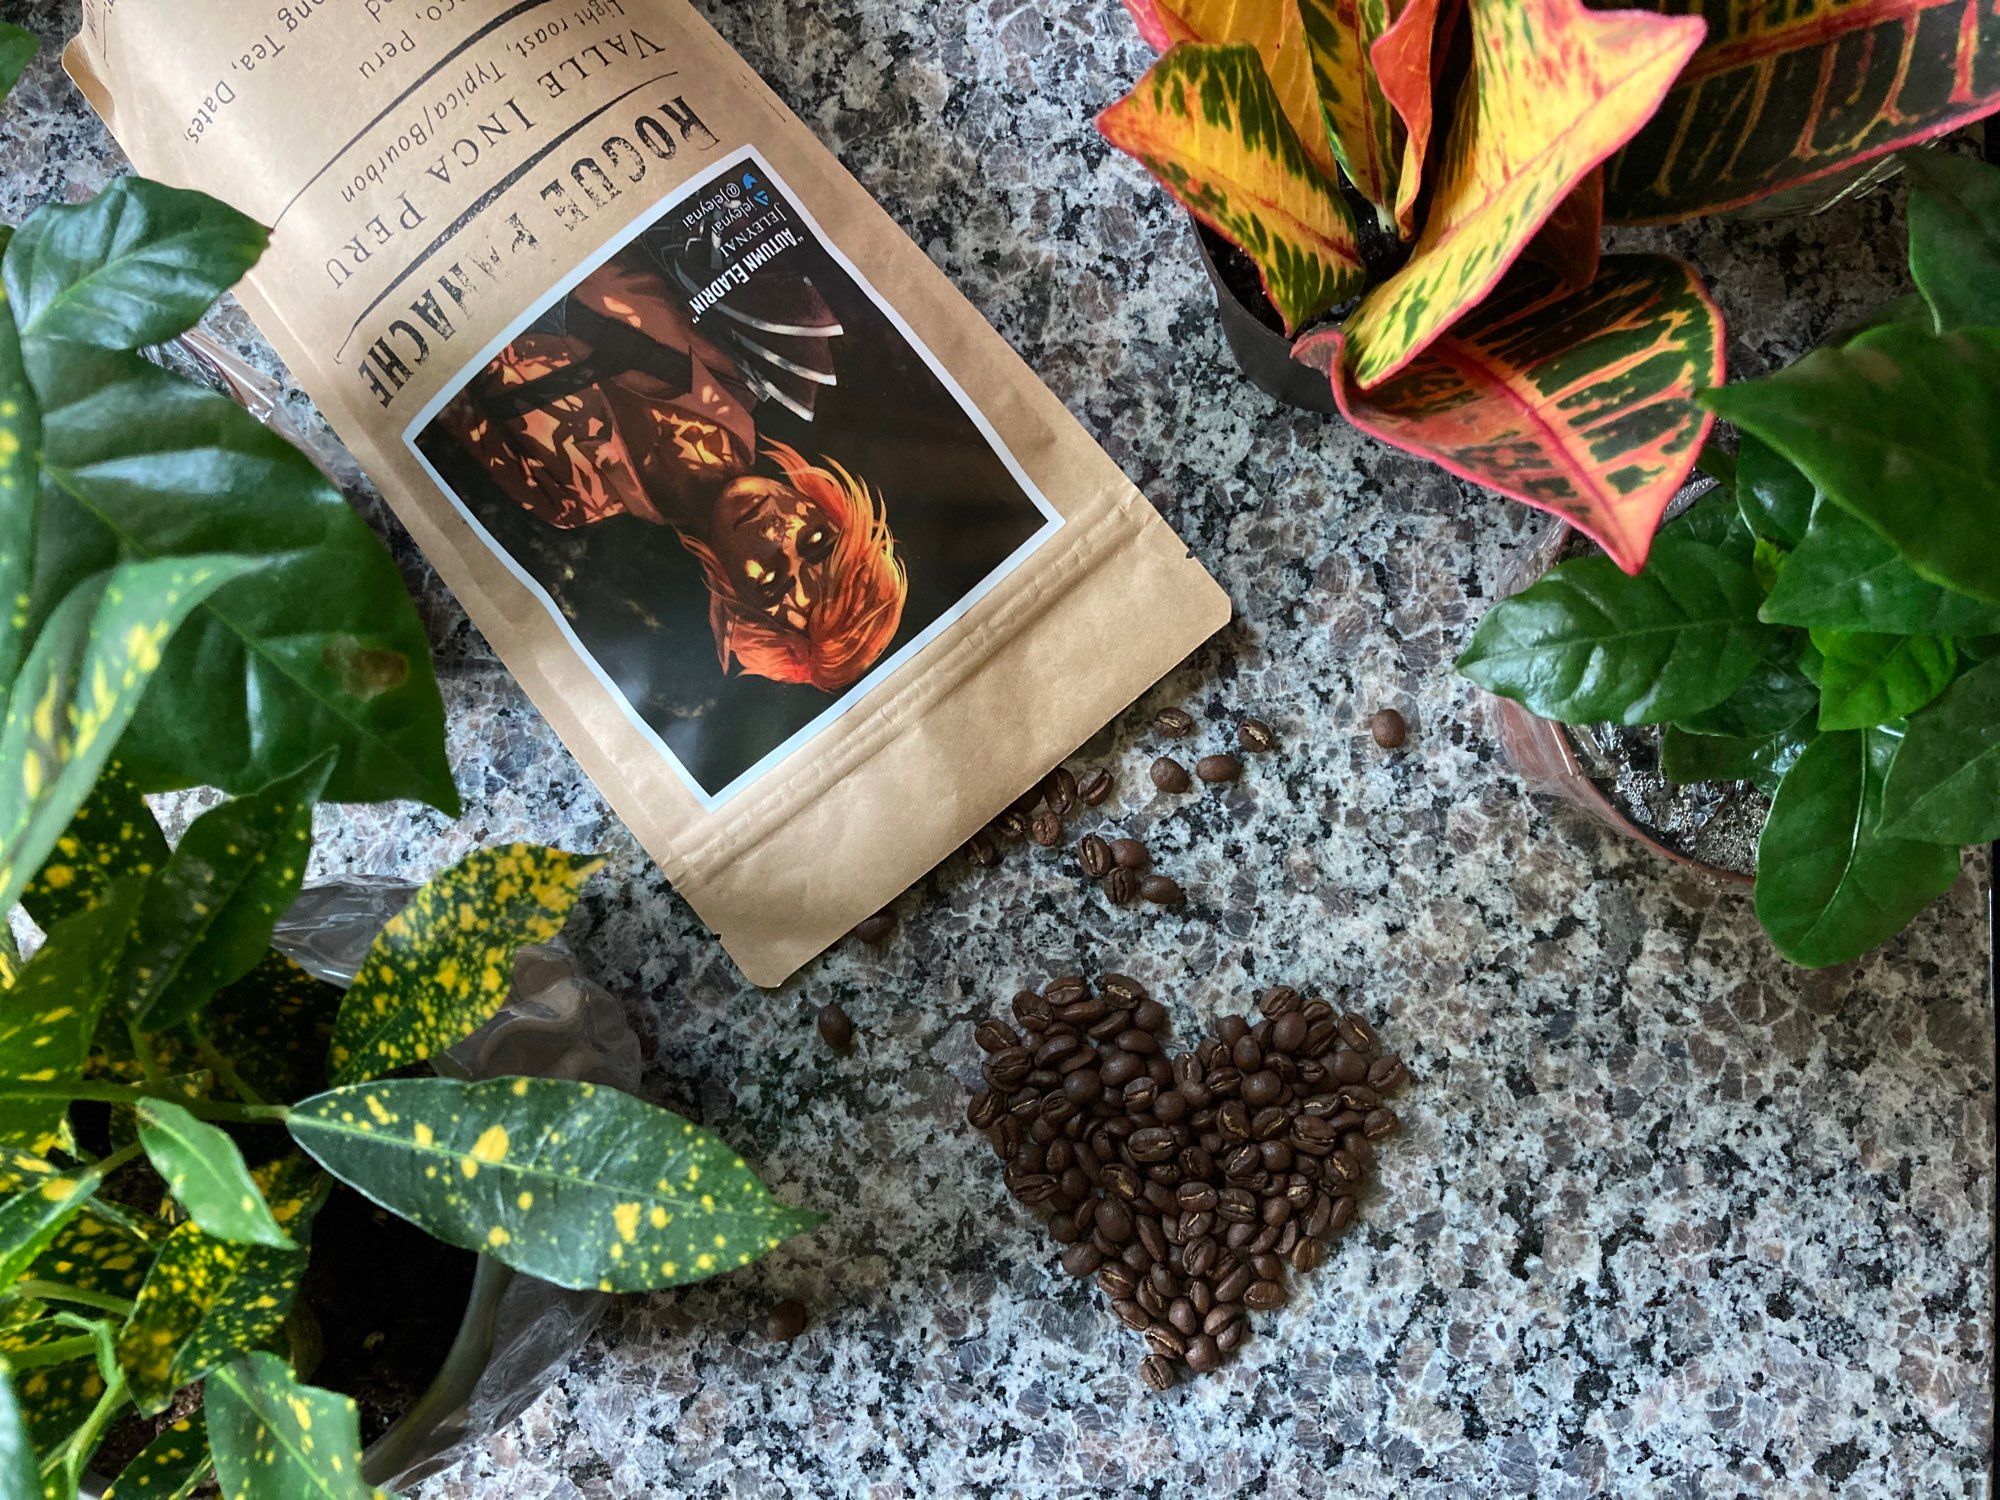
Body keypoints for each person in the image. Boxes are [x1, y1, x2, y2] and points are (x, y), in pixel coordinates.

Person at [434, 247, 907, 693]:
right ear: (824, 507)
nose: (778, 534)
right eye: (817, 540)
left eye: (774, 582)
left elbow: (430, 385)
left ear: (735, 602)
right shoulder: (749, 349)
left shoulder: (569, 499)